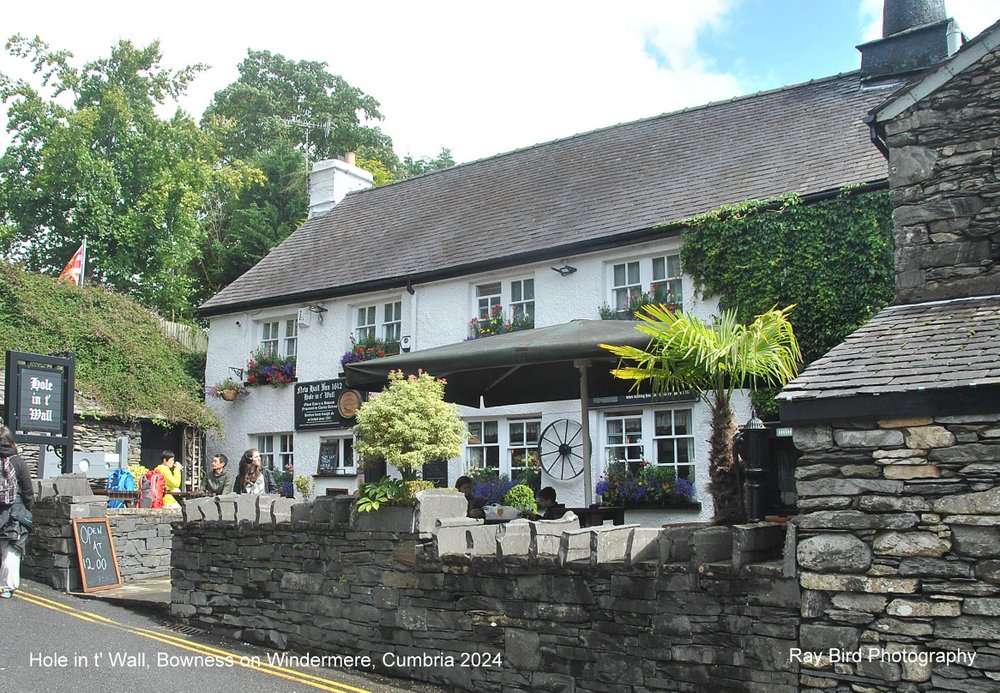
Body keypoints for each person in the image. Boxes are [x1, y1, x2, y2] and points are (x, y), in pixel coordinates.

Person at [0, 425, 34, 599]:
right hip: (15, 513)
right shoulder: (18, 462)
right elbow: (28, 490)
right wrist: (28, 510)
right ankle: (7, 587)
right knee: (11, 552)